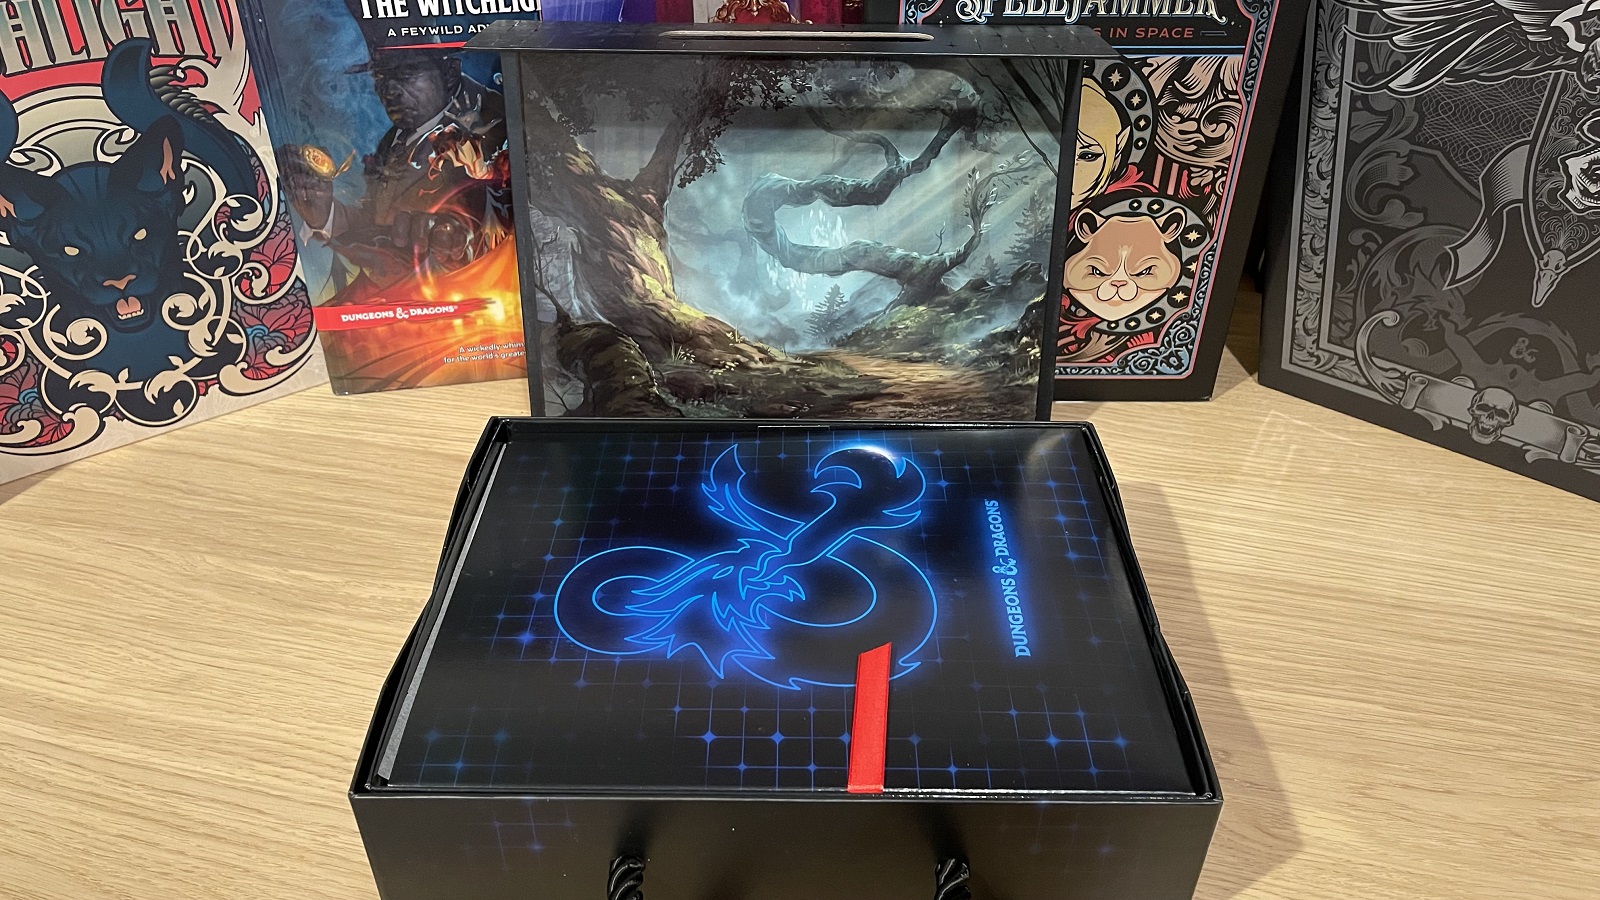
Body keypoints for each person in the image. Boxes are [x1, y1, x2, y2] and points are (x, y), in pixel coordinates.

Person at [282, 49, 511, 292]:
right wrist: (325, 215)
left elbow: (490, 211)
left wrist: (451, 235)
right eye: (380, 77)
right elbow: (377, 219)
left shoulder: (492, 130)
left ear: (449, 73)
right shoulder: (394, 139)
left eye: (406, 73)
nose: (389, 90)